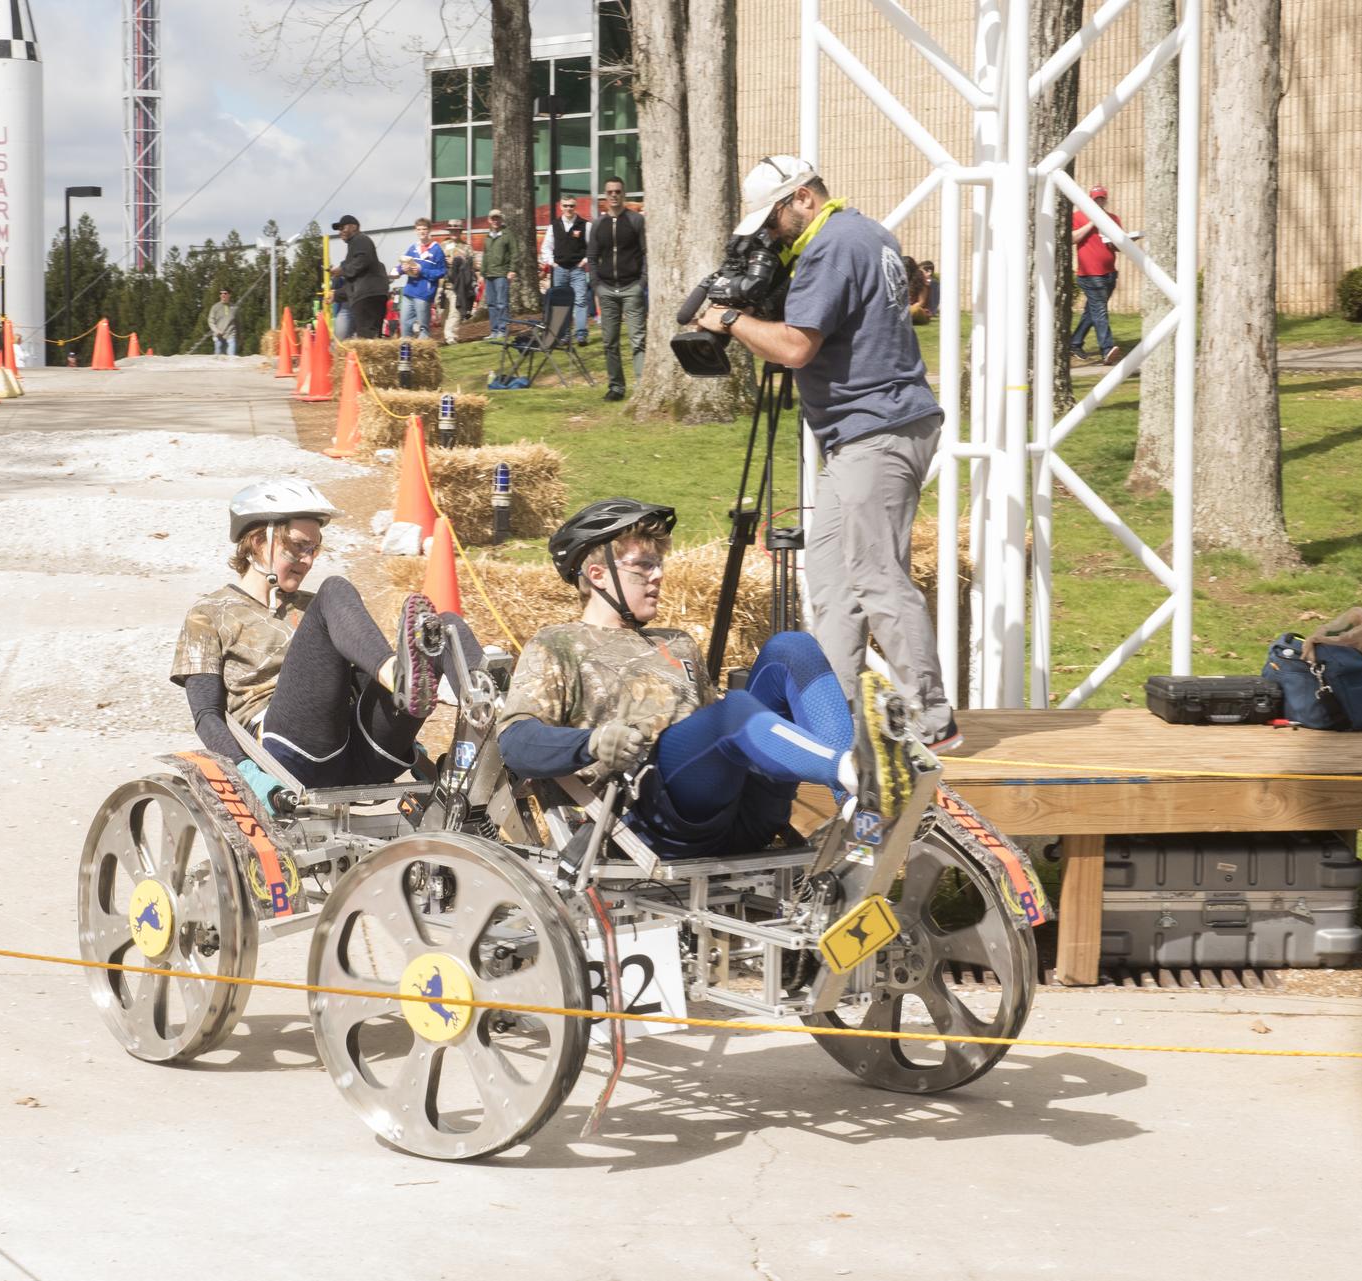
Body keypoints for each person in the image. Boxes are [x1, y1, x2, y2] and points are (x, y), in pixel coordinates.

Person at [693, 155, 960, 751]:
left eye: (774, 220)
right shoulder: (864, 232)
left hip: (877, 429)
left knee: (875, 575)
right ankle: (836, 720)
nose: (770, 234)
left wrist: (731, 316)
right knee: (834, 579)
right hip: (865, 432)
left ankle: (932, 718)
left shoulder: (832, 246)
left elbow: (794, 348)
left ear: (804, 199)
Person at [495, 499, 914, 859]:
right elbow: (515, 740)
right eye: (642, 565)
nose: (657, 575)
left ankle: (860, 808)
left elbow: (714, 733)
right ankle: (854, 769)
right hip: (649, 819)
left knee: (791, 647)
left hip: (737, 809)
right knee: (732, 713)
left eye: (658, 564)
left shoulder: (677, 643)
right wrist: (591, 742)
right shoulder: (557, 644)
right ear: (597, 574)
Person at [171, 478, 484, 806]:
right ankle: (399, 676)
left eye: (313, 549)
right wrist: (246, 772)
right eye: (297, 546)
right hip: (288, 757)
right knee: (334, 589)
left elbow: (360, 679)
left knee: (441, 629)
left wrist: (409, 743)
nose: (307, 560)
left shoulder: (315, 607)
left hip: (361, 755)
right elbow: (207, 713)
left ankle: (497, 732)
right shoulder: (208, 613)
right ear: (256, 541)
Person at [590, 176, 647, 400]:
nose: (614, 195)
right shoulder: (598, 224)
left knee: (638, 340)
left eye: (618, 192)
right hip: (606, 290)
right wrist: (596, 285)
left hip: (632, 287)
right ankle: (616, 387)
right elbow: (592, 257)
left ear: (623, 194)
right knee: (609, 342)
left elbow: (645, 253)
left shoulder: (635, 221)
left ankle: (642, 387)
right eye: (610, 192)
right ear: (605, 196)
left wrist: (642, 282)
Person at [1070, 185, 1123, 365]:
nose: (1099, 202)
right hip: (1089, 274)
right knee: (1100, 311)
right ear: (1090, 200)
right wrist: (1093, 223)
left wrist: (1120, 242)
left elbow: (1118, 245)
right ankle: (1107, 350)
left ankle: (1075, 343)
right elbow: (1072, 238)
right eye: (1095, 199)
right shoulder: (1078, 217)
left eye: (1101, 199)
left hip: (1109, 273)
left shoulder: (1113, 219)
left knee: (1092, 312)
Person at [539, 194, 591, 344]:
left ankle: (581, 334)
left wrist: (585, 261)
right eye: (565, 206)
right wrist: (552, 263)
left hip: (577, 270)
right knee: (562, 302)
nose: (569, 209)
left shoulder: (585, 225)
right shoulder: (553, 226)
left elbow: (593, 247)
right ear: (561, 207)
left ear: (575, 207)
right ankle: (564, 335)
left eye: (572, 206)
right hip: (560, 270)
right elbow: (546, 248)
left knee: (580, 301)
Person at [329, 214, 390, 339]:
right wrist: (336, 295)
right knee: (369, 338)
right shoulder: (356, 244)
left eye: (343, 228)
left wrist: (342, 270)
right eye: (339, 229)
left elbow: (362, 261)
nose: (340, 232)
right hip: (368, 295)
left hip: (367, 297)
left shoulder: (360, 240)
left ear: (354, 227)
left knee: (367, 338)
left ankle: (367, 358)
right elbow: (354, 284)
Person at [395, 217, 446, 340]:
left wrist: (422, 270)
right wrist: (401, 269)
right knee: (405, 324)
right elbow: (403, 264)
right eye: (419, 229)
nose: (421, 232)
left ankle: (422, 353)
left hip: (424, 294)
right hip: (409, 291)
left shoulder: (436, 249)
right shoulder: (413, 248)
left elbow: (442, 272)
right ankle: (405, 354)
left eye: (424, 229)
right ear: (415, 231)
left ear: (429, 230)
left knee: (423, 328)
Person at [439, 220, 478, 345]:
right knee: (443, 313)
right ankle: (446, 335)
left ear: (460, 231)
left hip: (458, 286)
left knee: (455, 311)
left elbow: (473, 266)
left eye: (456, 230)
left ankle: (451, 337)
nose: (454, 232)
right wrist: (445, 261)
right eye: (451, 230)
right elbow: (435, 262)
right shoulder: (442, 246)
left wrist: (460, 262)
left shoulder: (467, 248)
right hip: (442, 284)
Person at [480, 208, 515, 340]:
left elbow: (514, 253)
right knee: (491, 304)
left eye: (497, 218)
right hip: (489, 274)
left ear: (501, 219)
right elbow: (485, 256)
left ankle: (503, 329)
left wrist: (512, 270)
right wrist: (482, 273)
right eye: (493, 218)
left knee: (502, 303)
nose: (495, 221)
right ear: (489, 220)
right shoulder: (488, 237)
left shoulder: (507, 235)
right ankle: (494, 331)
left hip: (502, 274)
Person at [207, 288, 239, 357]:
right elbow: (210, 321)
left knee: (231, 357)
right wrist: (216, 330)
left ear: (229, 295)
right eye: (221, 293)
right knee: (218, 358)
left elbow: (238, 323)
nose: (223, 295)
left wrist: (240, 336)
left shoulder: (234, 307)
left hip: (231, 335)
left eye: (225, 293)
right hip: (219, 336)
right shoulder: (215, 307)